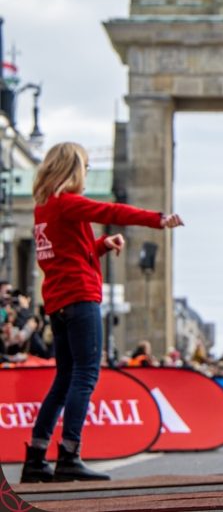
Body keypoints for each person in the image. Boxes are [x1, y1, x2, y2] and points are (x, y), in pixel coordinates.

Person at [21, 142, 183, 484]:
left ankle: (36, 457)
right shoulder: (69, 203)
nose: (87, 173)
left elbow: (60, 256)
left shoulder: (44, 209)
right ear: (73, 170)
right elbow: (111, 212)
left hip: (58, 300)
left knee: (64, 378)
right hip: (80, 297)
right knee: (85, 375)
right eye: (86, 167)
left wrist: (101, 245)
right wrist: (157, 219)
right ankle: (69, 453)